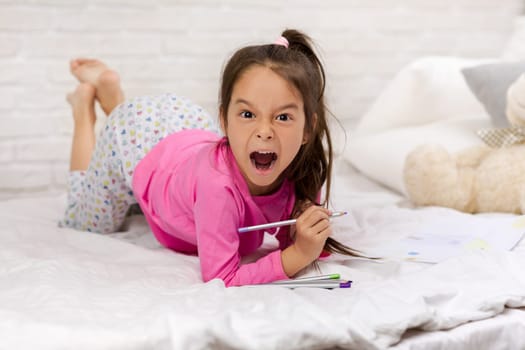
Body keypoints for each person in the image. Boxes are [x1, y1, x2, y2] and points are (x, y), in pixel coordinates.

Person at [61, 29, 359, 287]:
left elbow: (301, 238)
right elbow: (223, 277)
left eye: (283, 117)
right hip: (137, 141)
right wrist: (299, 255)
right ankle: (83, 110)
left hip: (182, 131)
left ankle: (112, 94)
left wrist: (311, 236)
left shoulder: (301, 171)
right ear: (224, 121)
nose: (265, 132)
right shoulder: (217, 187)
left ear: (308, 129)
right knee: (84, 220)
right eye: (247, 114)